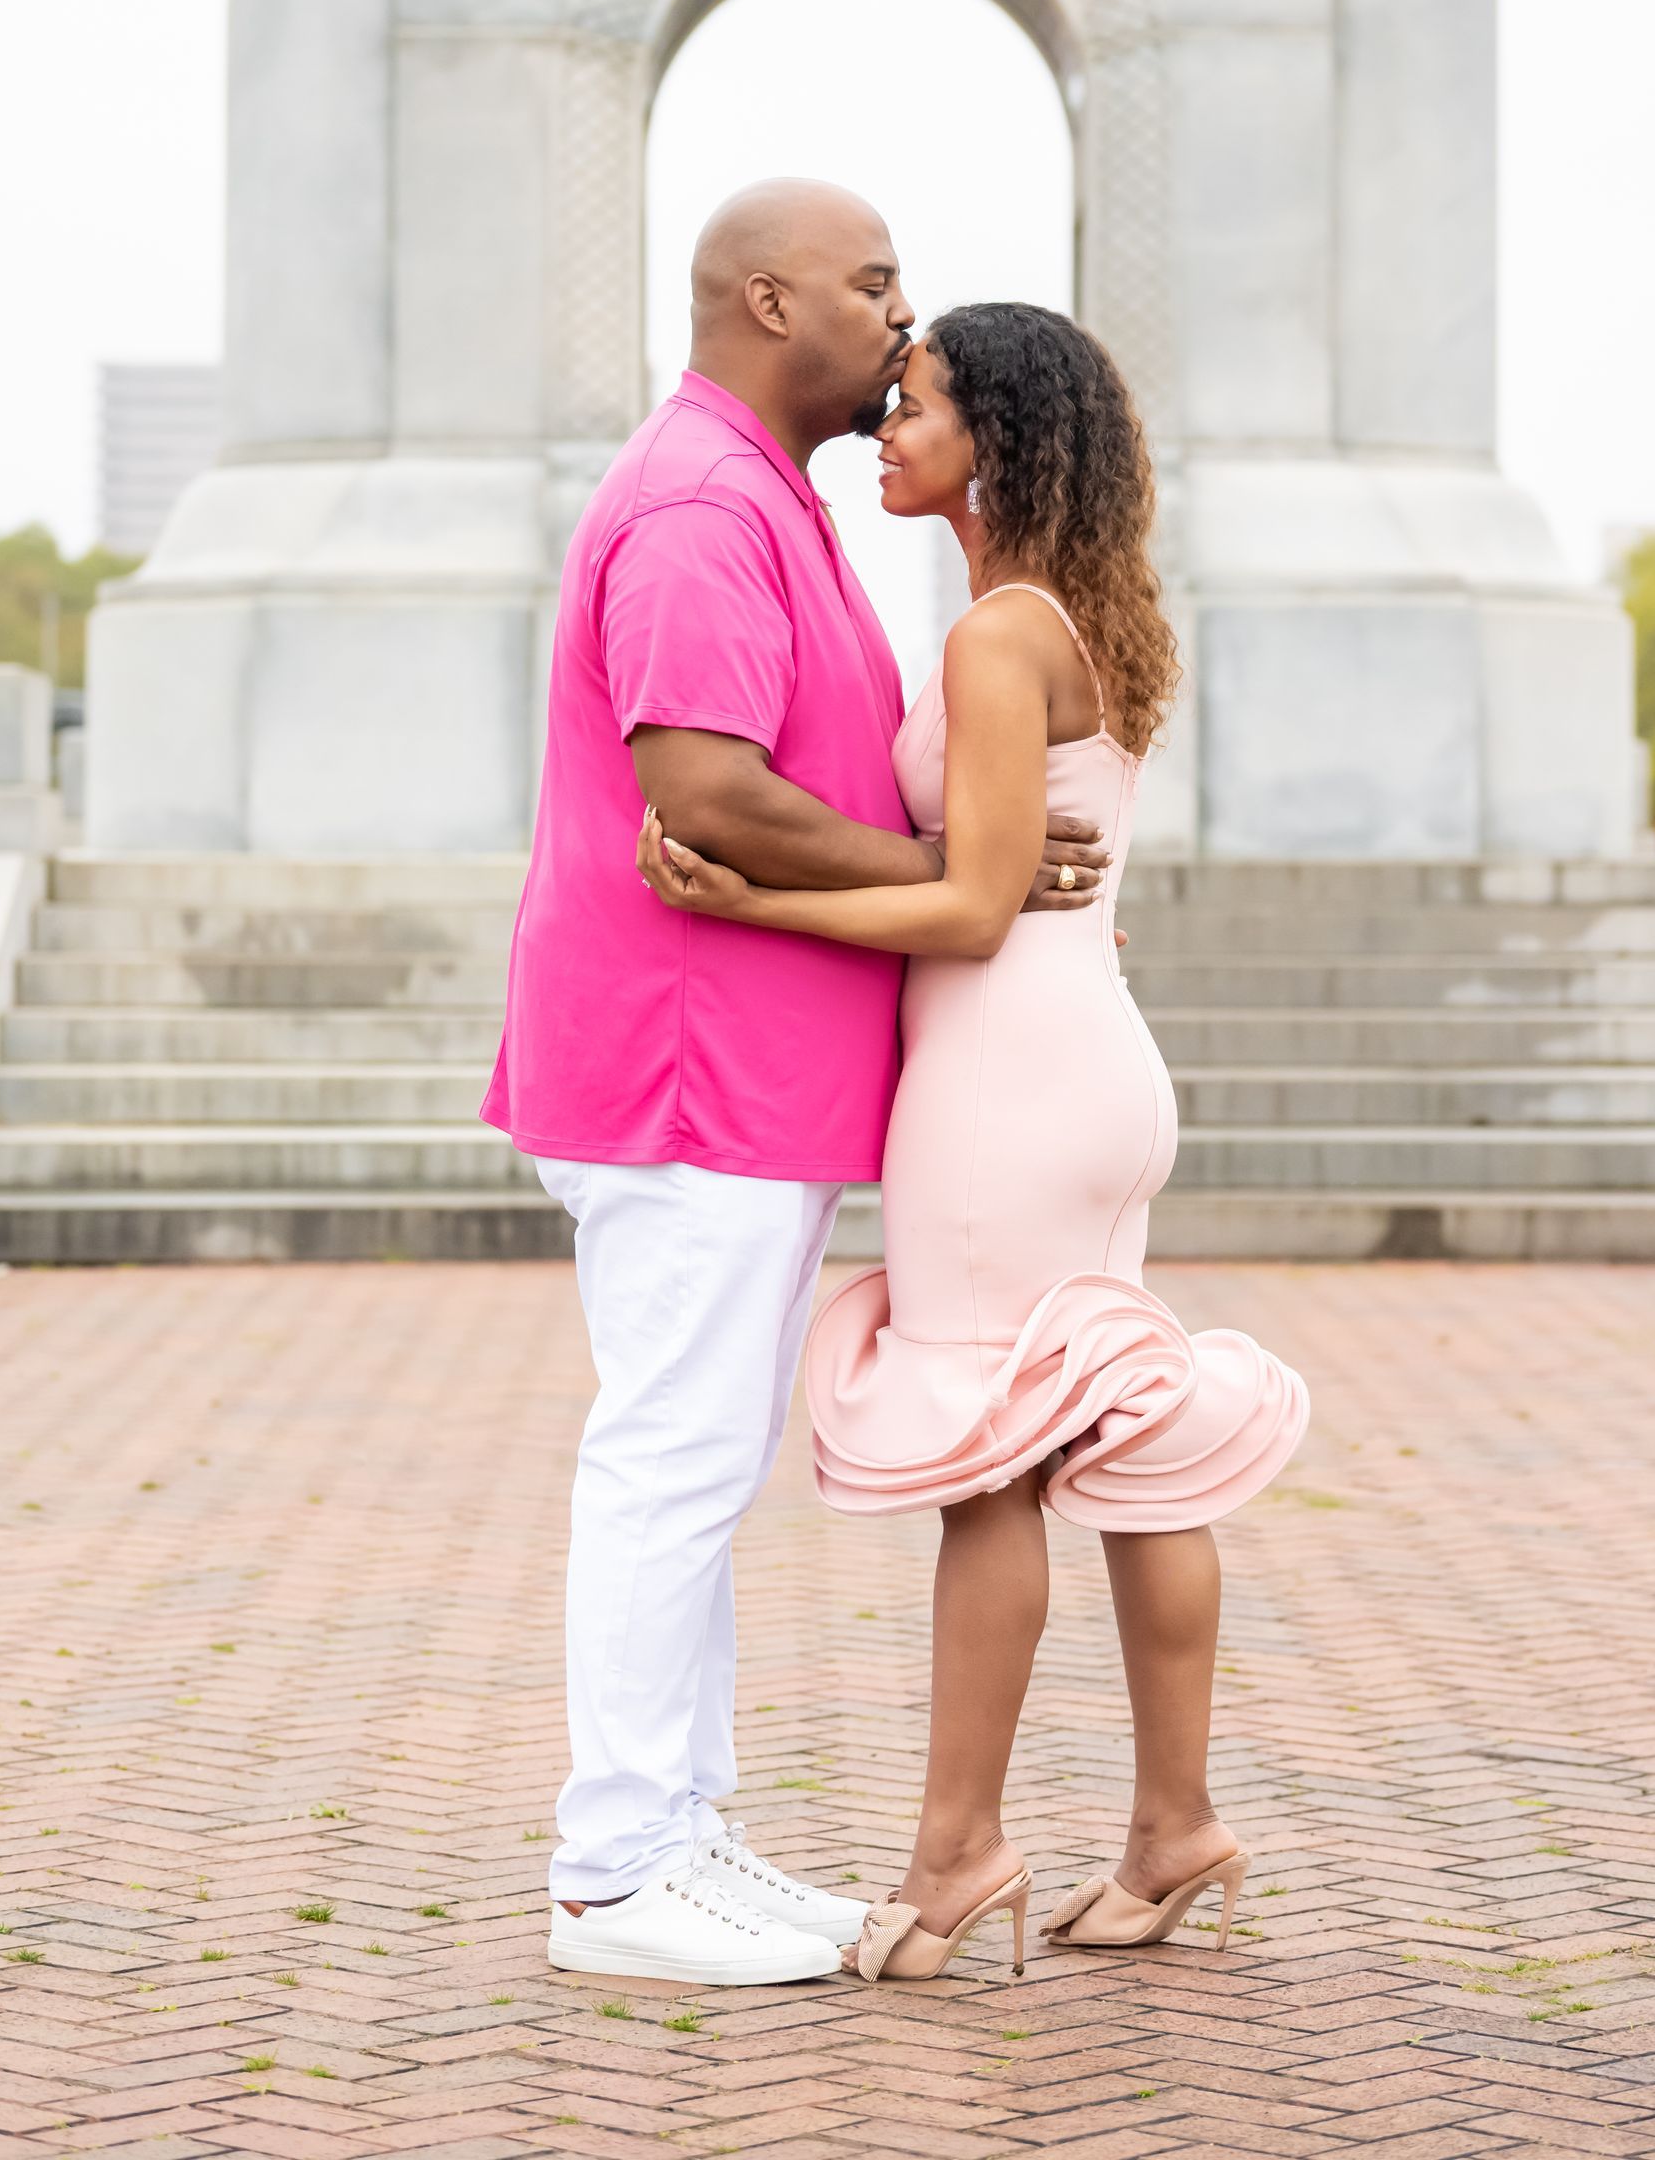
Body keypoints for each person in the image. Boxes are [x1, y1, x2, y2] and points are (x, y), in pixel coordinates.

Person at [482, 186, 1114, 1986]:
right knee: (671, 1461)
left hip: (737, 1071)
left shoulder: (758, 496)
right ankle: (615, 1873)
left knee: (694, 1458)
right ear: (771, 299)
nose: (904, 322)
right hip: (691, 1066)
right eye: (874, 283)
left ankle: (679, 1833)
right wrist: (939, 846)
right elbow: (709, 788)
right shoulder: (700, 504)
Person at [638, 300, 1310, 1985]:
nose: (885, 429)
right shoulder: (1092, 617)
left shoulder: (997, 637)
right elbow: (1022, 879)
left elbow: (976, 901)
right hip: (1086, 1068)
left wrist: (753, 892)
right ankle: (1173, 1828)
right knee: (1132, 1443)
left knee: (990, 1467)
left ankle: (957, 1858)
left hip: (1008, 1086)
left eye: (913, 408)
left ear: (995, 441)